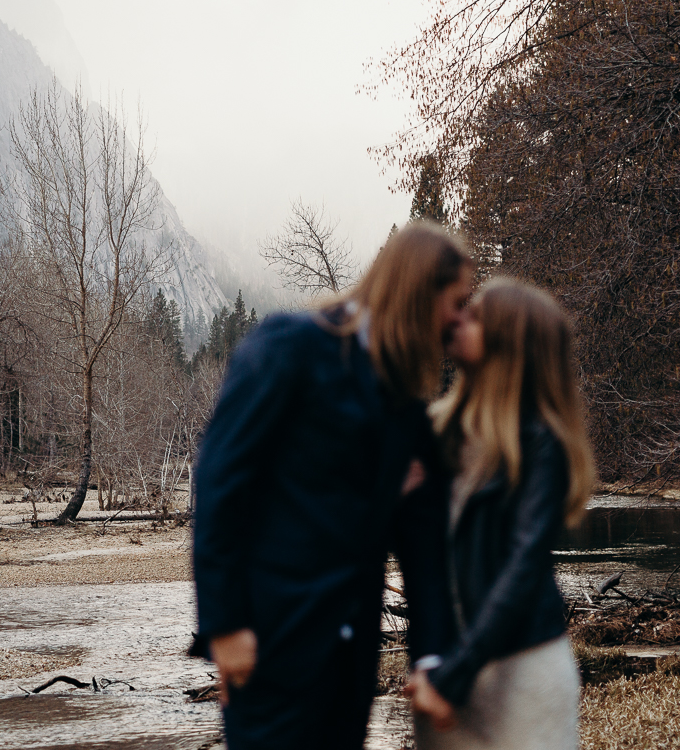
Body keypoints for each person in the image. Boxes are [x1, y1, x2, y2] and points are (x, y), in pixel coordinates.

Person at [192, 221, 473, 750]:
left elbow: (425, 549)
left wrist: (433, 657)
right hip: (269, 651)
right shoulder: (289, 347)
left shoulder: (409, 413)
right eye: (456, 303)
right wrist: (224, 627)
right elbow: (219, 480)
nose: (459, 321)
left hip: (350, 667)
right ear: (418, 292)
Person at [405, 276, 596, 750]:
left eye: (474, 316)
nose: (457, 320)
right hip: (445, 673)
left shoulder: (540, 444)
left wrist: (453, 674)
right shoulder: (438, 434)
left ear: (508, 342)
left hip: (521, 675)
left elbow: (522, 567)